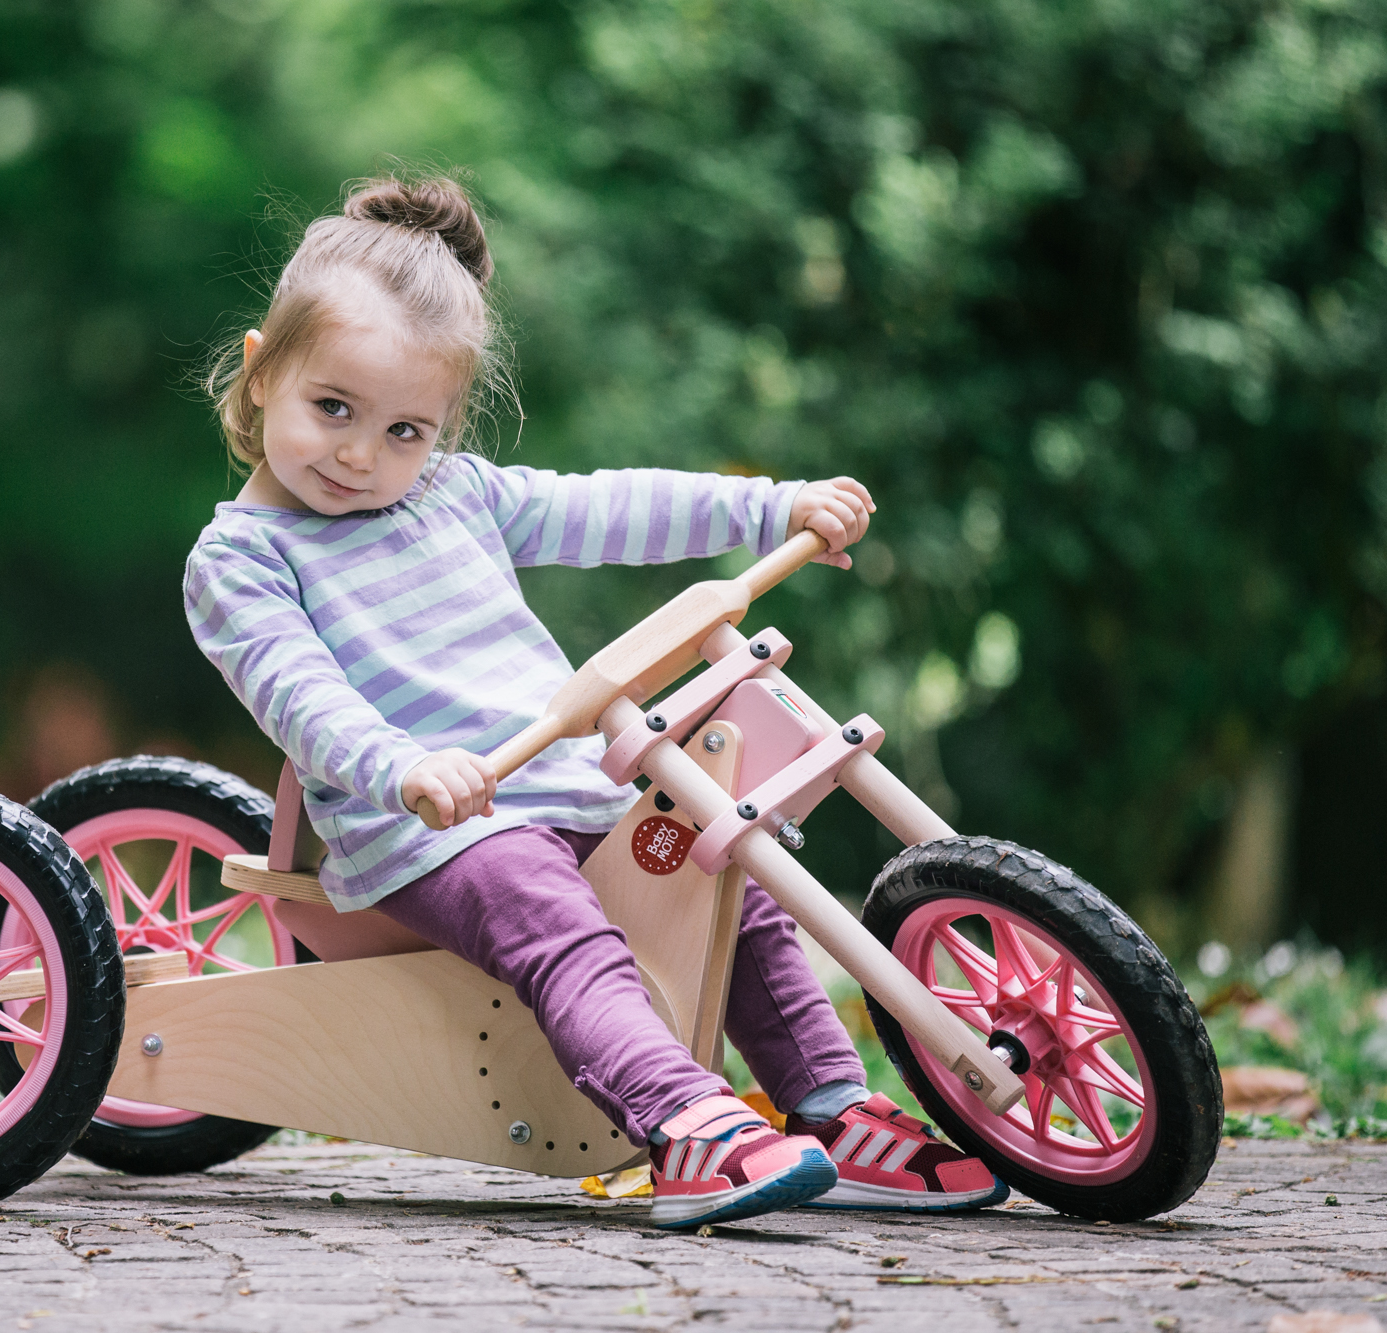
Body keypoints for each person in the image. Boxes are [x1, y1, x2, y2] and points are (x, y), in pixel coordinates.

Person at [185, 174, 1005, 1229]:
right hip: (434, 827)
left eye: (405, 430)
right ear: (261, 375)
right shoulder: (241, 557)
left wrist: (771, 508)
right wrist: (402, 766)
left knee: (725, 871)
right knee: (556, 923)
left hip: (570, 779)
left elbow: (611, 507)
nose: (360, 454)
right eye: (331, 408)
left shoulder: (451, 494)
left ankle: (833, 1109)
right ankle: (683, 1125)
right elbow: (297, 696)